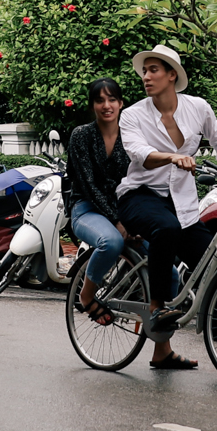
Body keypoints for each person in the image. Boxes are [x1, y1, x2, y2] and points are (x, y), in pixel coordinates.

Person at [115, 43, 217, 376]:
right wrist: (172, 156)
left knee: (214, 267)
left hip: (182, 202)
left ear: (171, 75)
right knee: (166, 229)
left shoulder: (198, 108)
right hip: (139, 195)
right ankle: (157, 308)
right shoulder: (132, 114)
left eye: (154, 70)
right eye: (144, 71)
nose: (146, 77)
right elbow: (139, 153)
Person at [66, 78, 131, 326]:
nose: (107, 105)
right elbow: (88, 185)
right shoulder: (81, 136)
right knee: (111, 241)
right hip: (86, 209)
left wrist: (130, 219)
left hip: (123, 210)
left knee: (167, 270)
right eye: (100, 100)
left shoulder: (131, 137)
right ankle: (86, 293)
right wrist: (117, 221)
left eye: (112, 99)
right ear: (93, 105)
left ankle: (161, 345)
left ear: (121, 103)